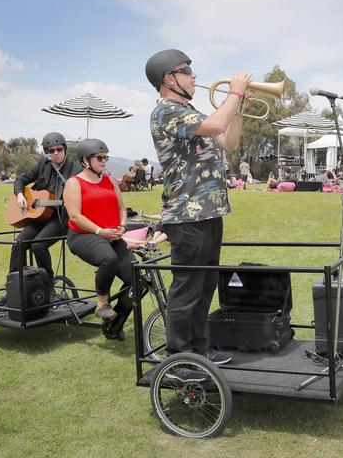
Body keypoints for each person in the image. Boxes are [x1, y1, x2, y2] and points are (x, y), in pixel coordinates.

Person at [145, 48, 251, 365]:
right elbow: (218, 125)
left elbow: (228, 141)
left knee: (205, 287)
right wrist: (235, 91)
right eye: (187, 71)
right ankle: (179, 356)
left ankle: (200, 349)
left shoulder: (192, 113)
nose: (194, 77)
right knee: (187, 289)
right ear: (169, 78)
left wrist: (240, 107)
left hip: (209, 211)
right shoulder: (166, 111)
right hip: (186, 215)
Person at [0, 132, 82, 307]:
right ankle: (13, 289)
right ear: (46, 152)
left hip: (60, 218)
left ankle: (49, 287)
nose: (55, 153)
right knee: (18, 245)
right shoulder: (43, 163)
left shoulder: (76, 171)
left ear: (64, 149)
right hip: (40, 216)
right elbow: (21, 180)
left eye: (58, 149)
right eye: (51, 150)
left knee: (38, 245)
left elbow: (80, 200)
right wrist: (19, 195)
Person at [63, 139, 134, 333]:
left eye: (106, 157)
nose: (104, 161)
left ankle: (113, 324)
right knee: (108, 258)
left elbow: (122, 208)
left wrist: (122, 226)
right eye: (100, 157)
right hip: (83, 236)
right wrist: (99, 231)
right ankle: (102, 303)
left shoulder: (110, 180)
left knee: (136, 279)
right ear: (85, 160)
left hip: (111, 235)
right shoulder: (73, 183)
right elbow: (75, 216)